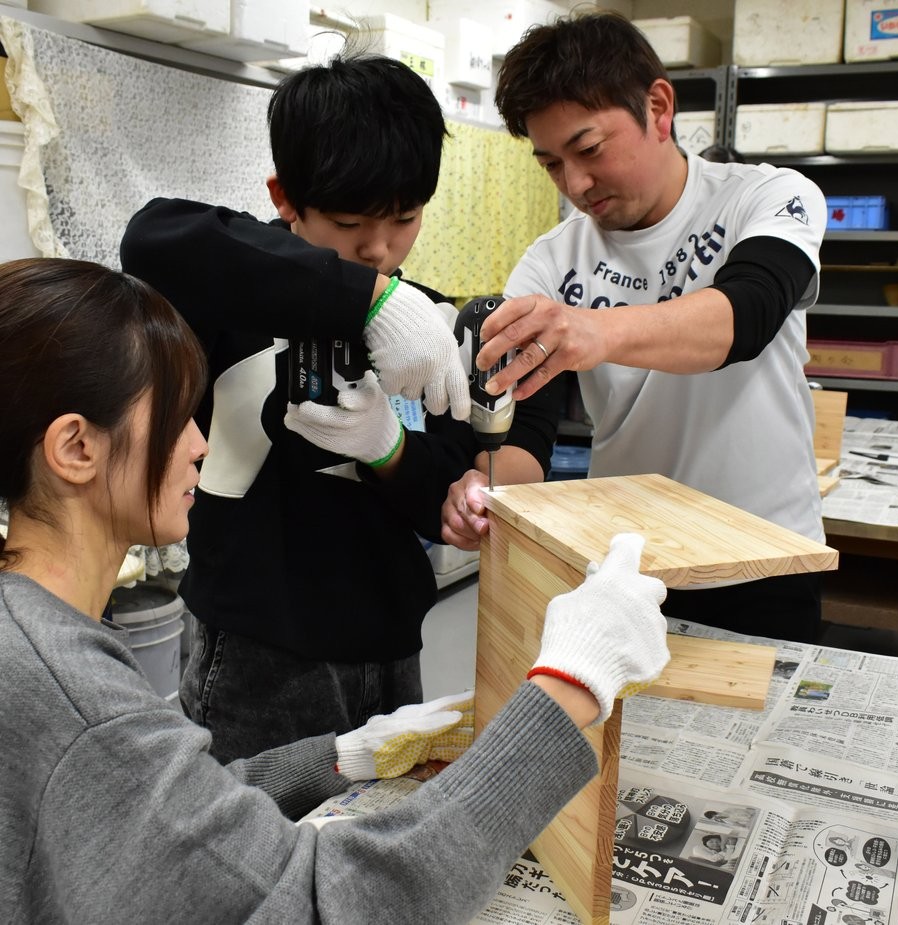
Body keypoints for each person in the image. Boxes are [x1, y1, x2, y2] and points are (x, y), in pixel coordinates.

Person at [0, 255, 670, 922]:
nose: (199, 443)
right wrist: (568, 687)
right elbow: (338, 903)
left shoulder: (35, 639)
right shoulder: (67, 689)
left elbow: (173, 821)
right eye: (177, 417)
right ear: (76, 448)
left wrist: (348, 754)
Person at [119, 54, 562, 762]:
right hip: (255, 648)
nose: (379, 248)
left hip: (390, 642)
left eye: (405, 219)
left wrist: (391, 450)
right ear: (285, 198)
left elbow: (440, 499)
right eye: (350, 221)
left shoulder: (422, 331)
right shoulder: (235, 293)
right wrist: (369, 300)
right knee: (254, 821)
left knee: (382, 820)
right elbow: (151, 238)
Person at [452, 10, 828, 642]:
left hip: (767, 555)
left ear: (658, 108)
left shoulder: (768, 197)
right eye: (551, 165)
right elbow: (529, 431)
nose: (576, 184)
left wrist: (597, 331)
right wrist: (483, 493)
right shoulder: (551, 260)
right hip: (626, 563)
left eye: (589, 150)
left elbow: (748, 314)